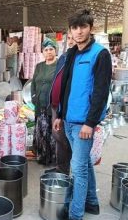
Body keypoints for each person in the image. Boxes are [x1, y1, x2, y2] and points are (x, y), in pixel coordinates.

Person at [53, 9, 112, 220]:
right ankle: (92, 203)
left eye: (83, 27)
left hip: (83, 124)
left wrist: (90, 123)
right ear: (70, 30)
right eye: (75, 27)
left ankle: (75, 214)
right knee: (84, 163)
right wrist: (59, 114)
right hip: (68, 120)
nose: (78, 32)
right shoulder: (70, 53)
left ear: (90, 28)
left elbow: (101, 92)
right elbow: (65, 86)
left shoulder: (100, 54)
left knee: (77, 169)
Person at [49, 31, 75, 175]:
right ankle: (61, 168)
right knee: (58, 137)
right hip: (55, 104)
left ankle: (68, 168)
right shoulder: (64, 57)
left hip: (67, 106)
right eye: (69, 39)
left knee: (66, 138)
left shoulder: (77, 58)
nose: (71, 41)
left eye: (73, 39)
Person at [31, 38, 57, 165]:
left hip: (52, 106)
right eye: (46, 50)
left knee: (52, 132)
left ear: (55, 51)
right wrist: (34, 97)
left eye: (51, 49)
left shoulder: (59, 66)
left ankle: (52, 158)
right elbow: (33, 83)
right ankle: (41, 156)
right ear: (43, 52)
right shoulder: (39, 66)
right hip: (39, 105)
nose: (48, 52)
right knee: (40, 131)